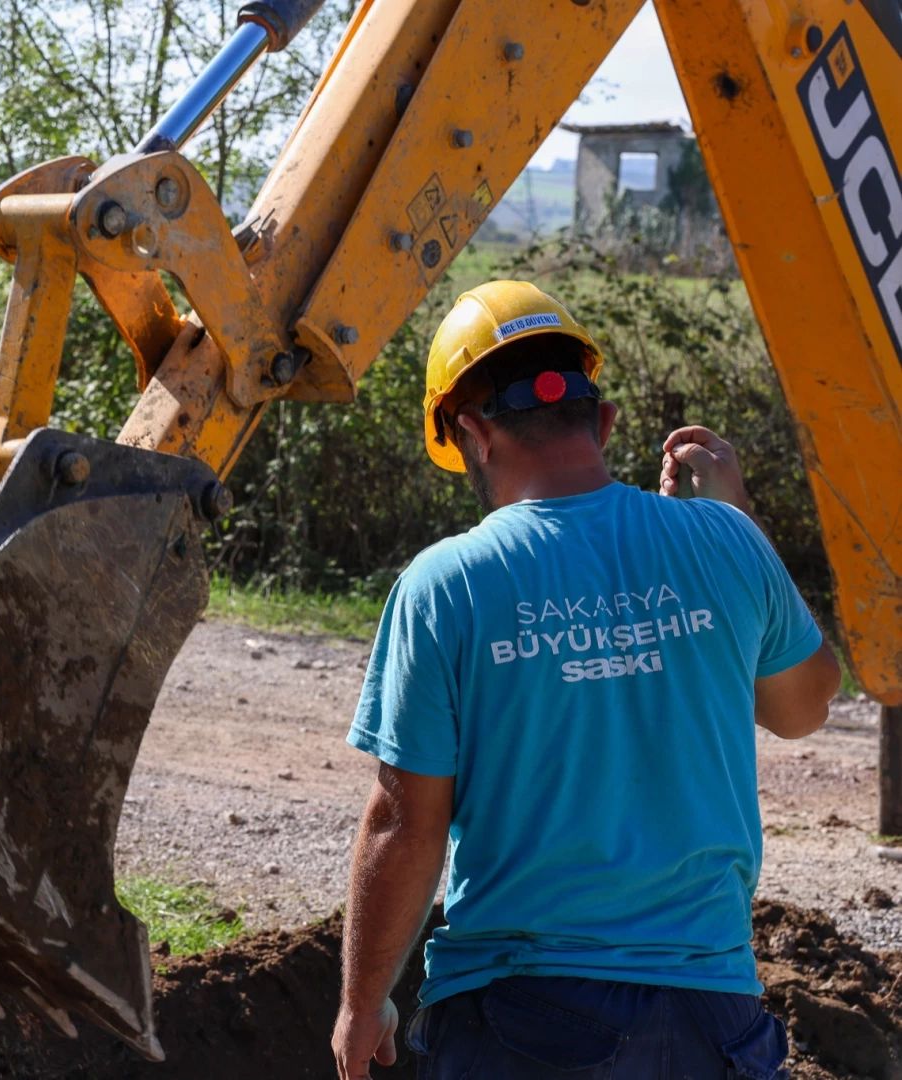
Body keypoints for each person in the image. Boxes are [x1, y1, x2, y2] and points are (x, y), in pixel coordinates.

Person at [329, 281, 841, 1079]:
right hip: (716, 1024)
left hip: (522, 1020)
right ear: (601, 421)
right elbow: (803, 708)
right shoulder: (726, 542)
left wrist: (363, 1004)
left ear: (472, 434)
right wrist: (740, 521)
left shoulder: (445, 586)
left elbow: (406, 823)